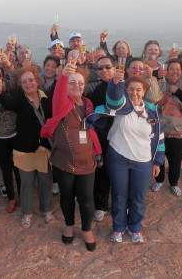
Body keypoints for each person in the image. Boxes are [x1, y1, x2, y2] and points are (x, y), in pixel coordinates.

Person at [87, 74, 165, 243]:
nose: (134, 93)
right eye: (130, 89)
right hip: (118, 159)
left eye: (138, 90)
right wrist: (116, 84)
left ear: (144, 92)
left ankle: (135, 228)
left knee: (138, 197)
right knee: (119, 196)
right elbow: (114, 98)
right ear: (125, 91)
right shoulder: (120, 106)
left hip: (143, 161)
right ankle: (118, 228)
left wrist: (158, 161)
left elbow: (159, 137)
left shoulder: (152, 111)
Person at [41, 63, 101, 251]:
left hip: (87, 161)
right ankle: (68, 226)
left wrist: (98, 153)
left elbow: (92, 132)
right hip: (63, 162)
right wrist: (64, 76)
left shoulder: (89, 105)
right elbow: (59, 92)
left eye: (80, 83)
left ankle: (86, 229)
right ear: (65, 85)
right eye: (72, 82)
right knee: (66, 196)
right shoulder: (61, 104)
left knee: (86, 198)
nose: (77, 85)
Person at [0, 66, 55, 228]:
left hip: (44, 150)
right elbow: (7, 102)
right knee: (27, 184)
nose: (28, 84)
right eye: (24, 82)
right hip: (24, 150)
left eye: (31, 80)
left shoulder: (46, 98)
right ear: (20, 85)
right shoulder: (19, 99)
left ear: (37, 81)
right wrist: (0, 91)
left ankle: (47, 209)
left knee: (45, 182)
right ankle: (27, 212)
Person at [151, 58, 182, 196]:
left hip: (177, 130)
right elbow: (150, 99)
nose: (175, 72)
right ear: (166, 70)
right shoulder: (159, 84)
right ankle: (159, 180)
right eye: (172, 68)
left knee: (175, 159)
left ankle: (174, 183)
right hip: (158, 128)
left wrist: (177, 91)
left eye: (178, 69)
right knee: (158, 157)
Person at [84, 55, 115, 222]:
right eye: (100, 68)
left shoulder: (124, 86)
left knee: (119, 173)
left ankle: (119, 204)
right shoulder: (96, 90)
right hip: (103, 136)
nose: (104, 70)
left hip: (122, 137)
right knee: (102, 172)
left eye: (107, 67)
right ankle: (101, 205)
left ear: (115, 68)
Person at [0, 66, 21, 213]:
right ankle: (12, 198)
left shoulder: (11, 90)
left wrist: (2, 93)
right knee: (6, 169)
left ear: (3, 76)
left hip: (15, 136)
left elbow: (14, 106)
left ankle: (23, 196)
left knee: (19, 168)